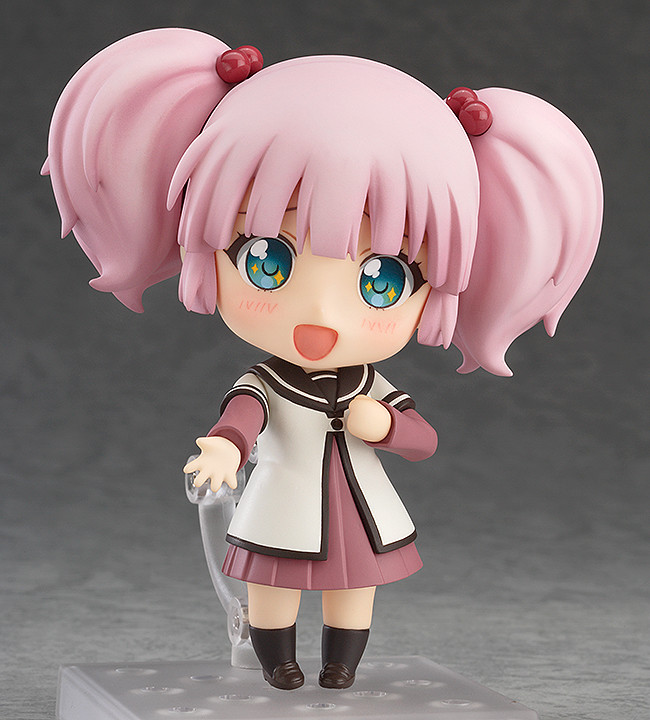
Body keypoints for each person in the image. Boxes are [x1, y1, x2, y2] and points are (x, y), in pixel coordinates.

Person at [44, 27, 602, 690]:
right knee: (271, 587)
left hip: (360, 511)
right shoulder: (266, 381)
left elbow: (423, 440)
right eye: (266, 260)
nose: (320, 316)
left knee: (354, 589)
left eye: (383, 279)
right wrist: (222, 449)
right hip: (280, 502)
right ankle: (277, 660)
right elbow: (242, 419)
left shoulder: (372, 383)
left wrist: (386, 426)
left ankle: (341, 664)